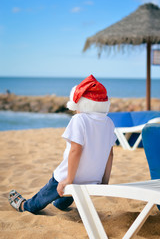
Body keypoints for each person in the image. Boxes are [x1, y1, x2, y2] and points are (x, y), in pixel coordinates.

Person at [8, 74, 117, 213]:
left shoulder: (79, 119)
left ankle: (25, 206)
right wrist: (104, 182)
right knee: (65, 195)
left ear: (82, 103)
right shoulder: (109, 123)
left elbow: (75, 150)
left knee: (46, 193)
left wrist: (69, 180)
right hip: (92, 179)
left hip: (71, 176)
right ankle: (60, 204)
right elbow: (110, 154)